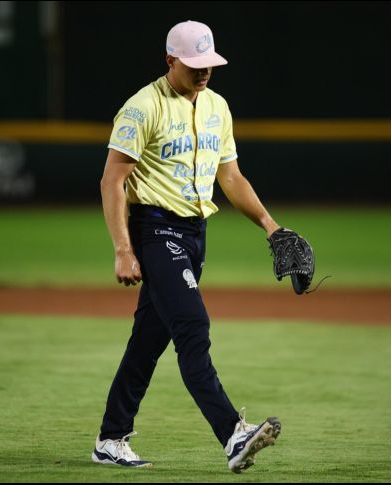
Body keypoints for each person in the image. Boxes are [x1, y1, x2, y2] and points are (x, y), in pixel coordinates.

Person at [94, 21, 283, 473]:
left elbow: (230, 177)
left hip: (195, 234)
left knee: (147, 342)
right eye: (194, 64)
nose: (204, 72)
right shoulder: (143, 107)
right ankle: (233, 434)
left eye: (209, 64)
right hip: (155, 229)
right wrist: (123, 248)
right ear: (170, 60)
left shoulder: (217, 106)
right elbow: (112, 180)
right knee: (193, 326)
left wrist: (270, 225)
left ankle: (110, 439)